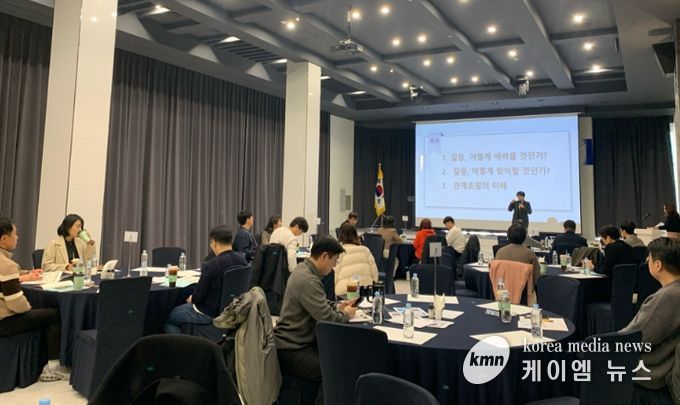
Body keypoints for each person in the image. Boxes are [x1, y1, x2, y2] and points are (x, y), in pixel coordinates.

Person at [275, 236, 357, 404]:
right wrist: (347, 314)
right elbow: (327, 320)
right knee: (333, 371)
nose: (334, 266)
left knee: (339, 357)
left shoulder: (303, 269)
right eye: (334, 261)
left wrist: (338, 306)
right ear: (325, 256)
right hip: (292, 348)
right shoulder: (308, 280)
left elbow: (319, 303)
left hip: (296, 342)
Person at [0, 216, 68, 381]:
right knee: (53, 315)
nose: (18, 237)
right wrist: (30, 307)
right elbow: (18, 305)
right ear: (4, 239)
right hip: (4, 321)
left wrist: (27, 273)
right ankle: (53, 367)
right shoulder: (6, 265)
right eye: (15, 234)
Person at [620, 237, 680, 404]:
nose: (647, 261)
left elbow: (635, 336)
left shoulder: (667, 297)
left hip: (651, 373)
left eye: (649, 258)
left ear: (658, 265)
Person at [164, 225, 248, 334]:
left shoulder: (211, 265)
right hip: (235, 310)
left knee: (168, 318)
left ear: (213, 243)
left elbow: (198, 297)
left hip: (209, 313)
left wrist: (192, 298)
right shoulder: (243, 261)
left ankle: (181, 344)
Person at [334, 224, 379, 296]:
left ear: (340, 236)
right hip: (365, 290)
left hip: (345, 291)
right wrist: (373, 287)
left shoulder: (339, 252)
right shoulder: (365, 250)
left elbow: (335, 274)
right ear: (356, 235)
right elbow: (375, 273)